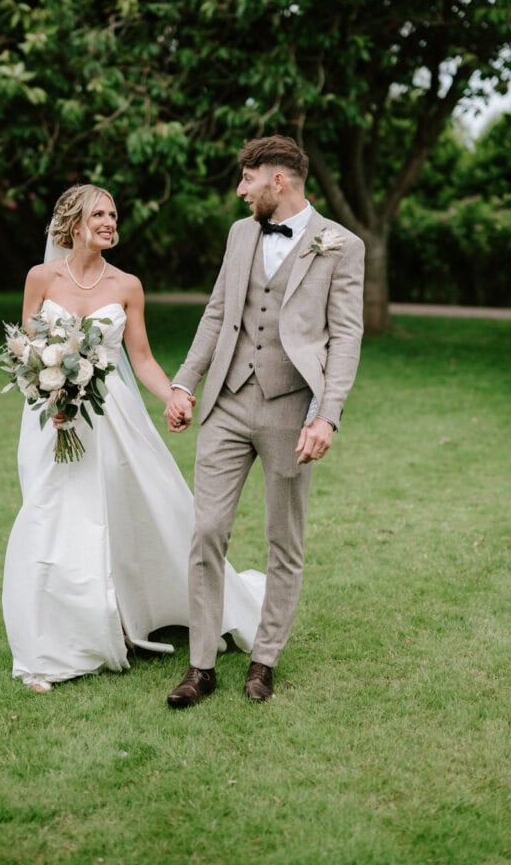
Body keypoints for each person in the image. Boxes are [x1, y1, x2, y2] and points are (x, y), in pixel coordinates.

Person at [2, 183, 264, 692]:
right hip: (52, 417)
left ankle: (120, 615)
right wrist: (51, 394)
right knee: (50, 514)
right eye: (99, 214)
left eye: (114, 214)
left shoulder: (127, 285)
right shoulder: (41, 277)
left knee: (120, 512)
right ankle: (49, 642)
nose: (109, 222)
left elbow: (140, 358)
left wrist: (174, 395)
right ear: (75, 224)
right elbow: (28, 346)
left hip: (111, 416)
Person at [164, 136, 365, 707]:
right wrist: (185, 383)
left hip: (291, 408)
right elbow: (217, 311)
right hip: (227, 402)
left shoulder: (341, 245)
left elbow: (347, 336)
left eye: (246, 179)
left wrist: (327, 415)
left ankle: (264, 660)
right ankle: (200, 665)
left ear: (278, 180)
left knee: (285, 540)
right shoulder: (240, 233)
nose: (240, 190)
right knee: (206, 531)